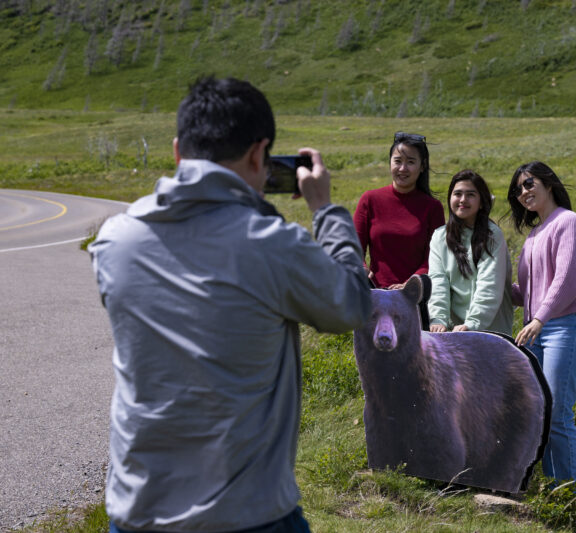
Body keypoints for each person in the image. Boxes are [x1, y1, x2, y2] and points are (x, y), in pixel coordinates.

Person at [89, 76, 372, 533]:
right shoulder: (272, 245)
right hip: (245, 514)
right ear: (260, 154)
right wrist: (325, 210)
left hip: (137, 510)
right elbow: (352, 305)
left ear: (179, 150)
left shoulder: (114, 240)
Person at [507, 161, 576, 503]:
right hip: (537, 330)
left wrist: (540, 318)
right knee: (543, 414)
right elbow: (527, 293)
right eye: (518, 189)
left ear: (549, 184)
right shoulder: (532, 236)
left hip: (562, 327)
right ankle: (556, 497)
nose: (524, 192)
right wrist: (496, 285)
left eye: (529, 184)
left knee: (558, 413)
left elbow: (566, 282)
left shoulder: (568, 223)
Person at [353, 132, 445, 290]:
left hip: (416, 297)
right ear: (390, 162)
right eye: (397, 161)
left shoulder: (433, 208)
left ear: (422, 166)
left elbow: (435, 258)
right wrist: (361, 268)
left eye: (410, 162)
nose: (403, 168)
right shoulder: (370, 199)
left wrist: (411, 285)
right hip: (374, 294)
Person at [427, 169, 514, 336]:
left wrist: (473, 323)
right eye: (457, 194)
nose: (462, 200)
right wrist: (438, 319)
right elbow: (438, 281)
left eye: (470, 195)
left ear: (481, 202)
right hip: (453, 331)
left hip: (490, 331)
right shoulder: (440, 237)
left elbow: (490, 284)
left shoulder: (492, 235)